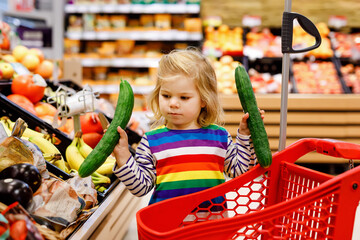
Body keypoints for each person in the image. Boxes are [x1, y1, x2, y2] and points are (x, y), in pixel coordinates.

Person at [112, 47, 264, 205]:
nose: (173, 103)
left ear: (204, 100)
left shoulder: (219, 136)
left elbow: (240, 171)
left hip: (211, 226)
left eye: (184, 97)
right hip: (168, 226)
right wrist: (123, 157)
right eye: (166, 95)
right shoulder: (151, 141)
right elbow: (140, 188)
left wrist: (245, 135)